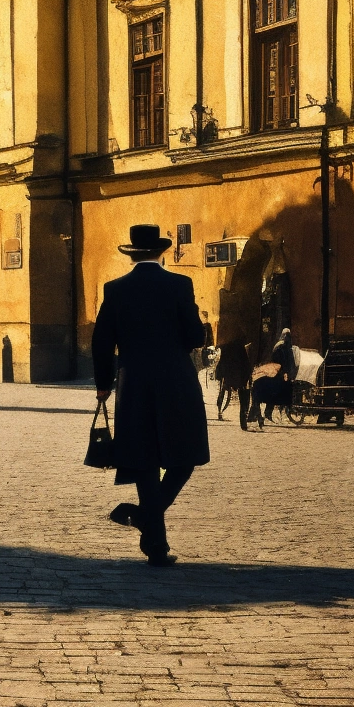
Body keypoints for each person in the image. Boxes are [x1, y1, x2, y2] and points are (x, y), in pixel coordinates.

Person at [95, 225, 210, 565]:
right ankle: (152, 529)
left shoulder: (115, 289)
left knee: (144, 462)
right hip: (176, 380)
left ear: (131, 254)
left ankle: (154, 539)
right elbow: (195, 337)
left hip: (133, 384)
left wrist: (103, 383)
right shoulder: (179, 284)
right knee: (184, 457)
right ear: (160, 253)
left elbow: (102, 341)